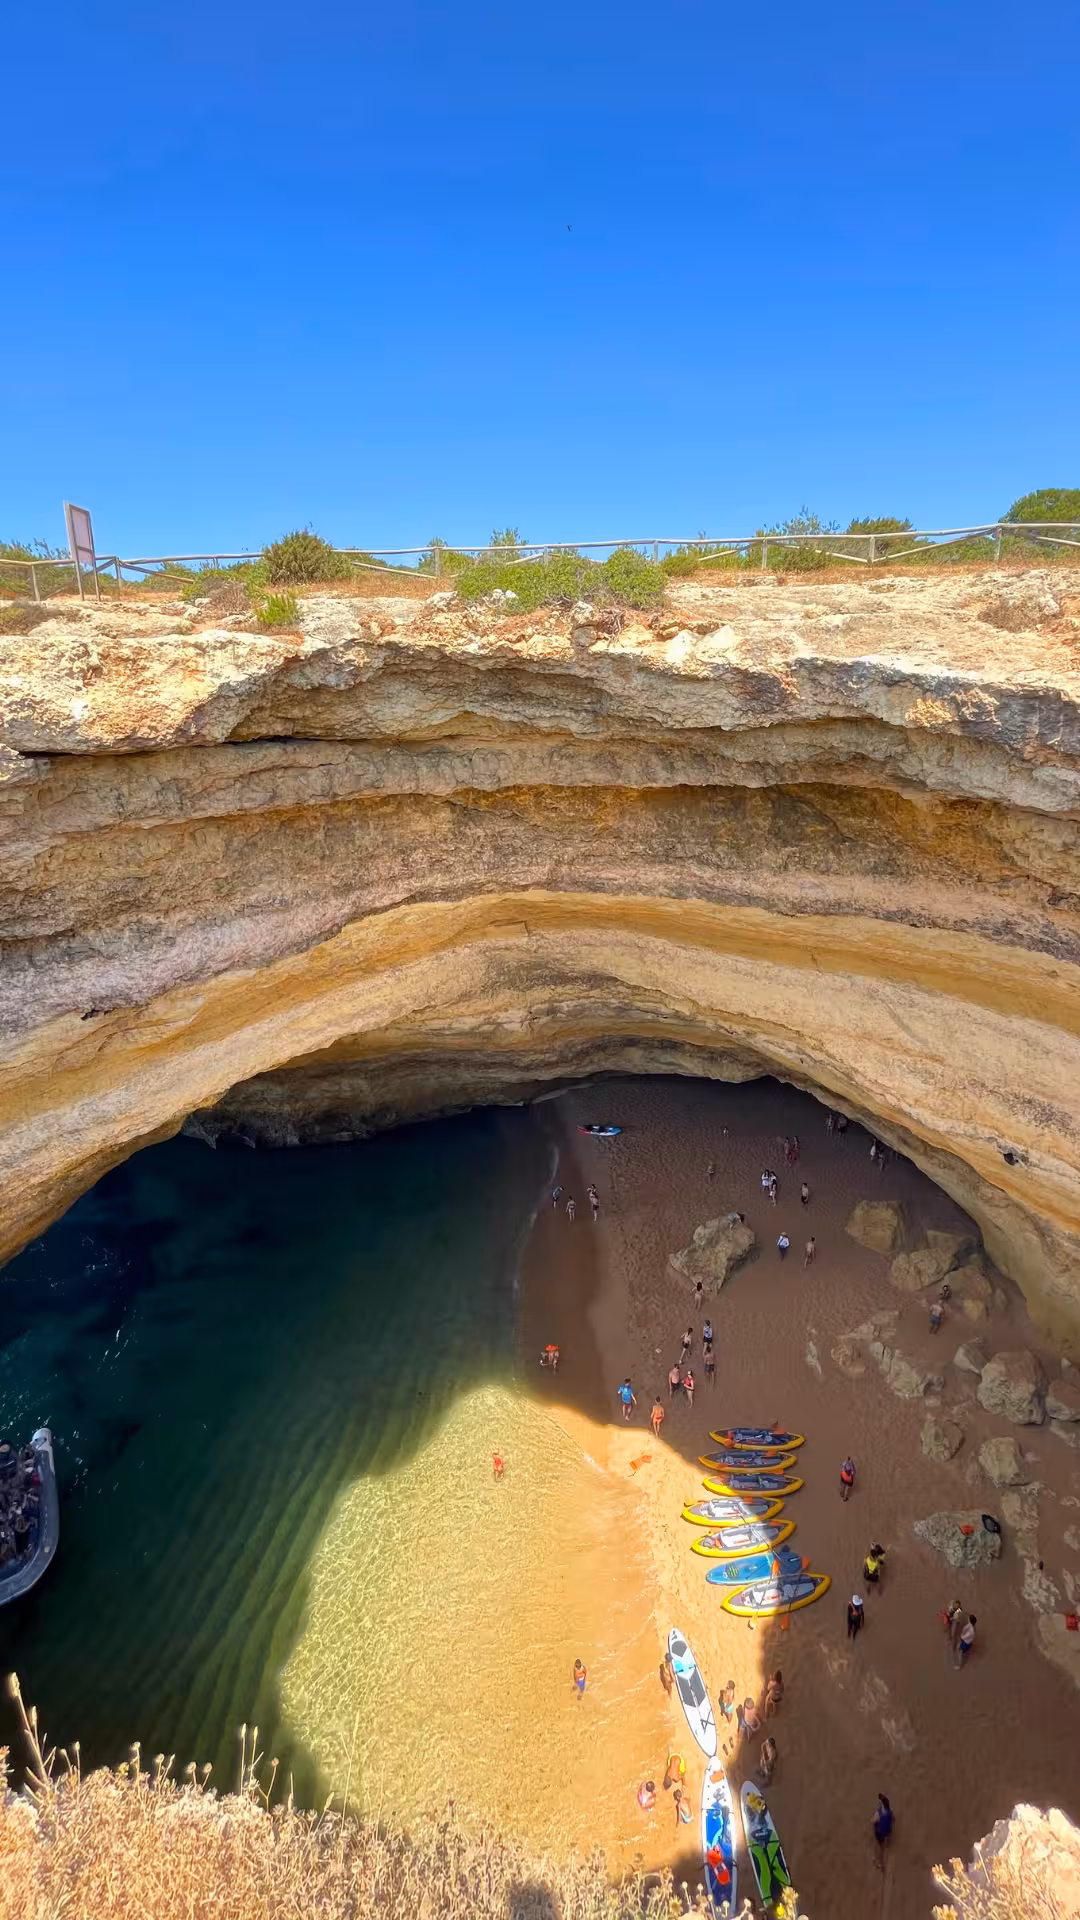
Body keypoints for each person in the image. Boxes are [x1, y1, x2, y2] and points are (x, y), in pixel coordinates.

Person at [873, 1794, 894, 1869]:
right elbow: (892, 1820)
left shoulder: (878, 1813)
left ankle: (879, 1862)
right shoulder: (890, 1812)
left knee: (880, 1848)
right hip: (887, 1833)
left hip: (880, 1834)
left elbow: (873, 1821)